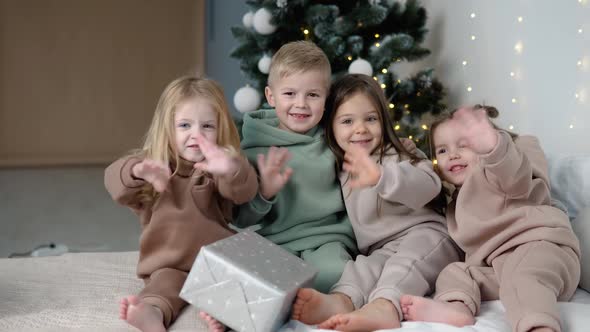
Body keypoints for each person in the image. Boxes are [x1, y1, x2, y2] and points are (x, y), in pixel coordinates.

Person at [290, 73, 461, 331]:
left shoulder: (401, 153)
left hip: (428, 234)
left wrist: (381, 176)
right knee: (362, 270)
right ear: (331, 128)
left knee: (405, 266)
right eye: (347, 121)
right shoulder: (338, 168)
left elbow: (428, 185)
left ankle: (385, 306)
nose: (361, 129)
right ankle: (340, 301)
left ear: (383, 120)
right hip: (380, 248)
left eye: (371, 119)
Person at [400, 105, 581, 332]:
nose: (453, 155)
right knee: (456, 272)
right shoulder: (455, 201)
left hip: (542, 248)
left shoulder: (495, 174)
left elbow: (515, 175)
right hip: (500, 268)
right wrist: (408, 159)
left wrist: (494, 148)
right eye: (442, 151)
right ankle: (457, 309)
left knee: (523, 279)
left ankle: (539, 326)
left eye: (463, 145)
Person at [104, 76, 258, 332]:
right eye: (185, 125)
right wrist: (139, 171)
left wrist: (229, 168)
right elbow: (113, 181)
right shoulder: (154, 167)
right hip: (168, 263)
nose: (195, 135)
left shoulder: (219, 168)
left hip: (216, 261)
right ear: (168, 128)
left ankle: (221, 314)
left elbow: (246, 191)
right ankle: (151, 316)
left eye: (207, 126)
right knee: (162, 290)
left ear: (220, 129)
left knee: (237, 285)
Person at [231, 40, 358, 294]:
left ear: (326, 98)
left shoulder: (334, 138)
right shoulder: (253, 150)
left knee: (336, 276)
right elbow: (240, 218)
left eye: (312, 95)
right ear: (271, 96)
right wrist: (264, 193)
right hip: (274, 242)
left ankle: (316, 304)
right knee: (252, 281)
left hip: (328, 239)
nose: (301, 104)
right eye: (290, 94)